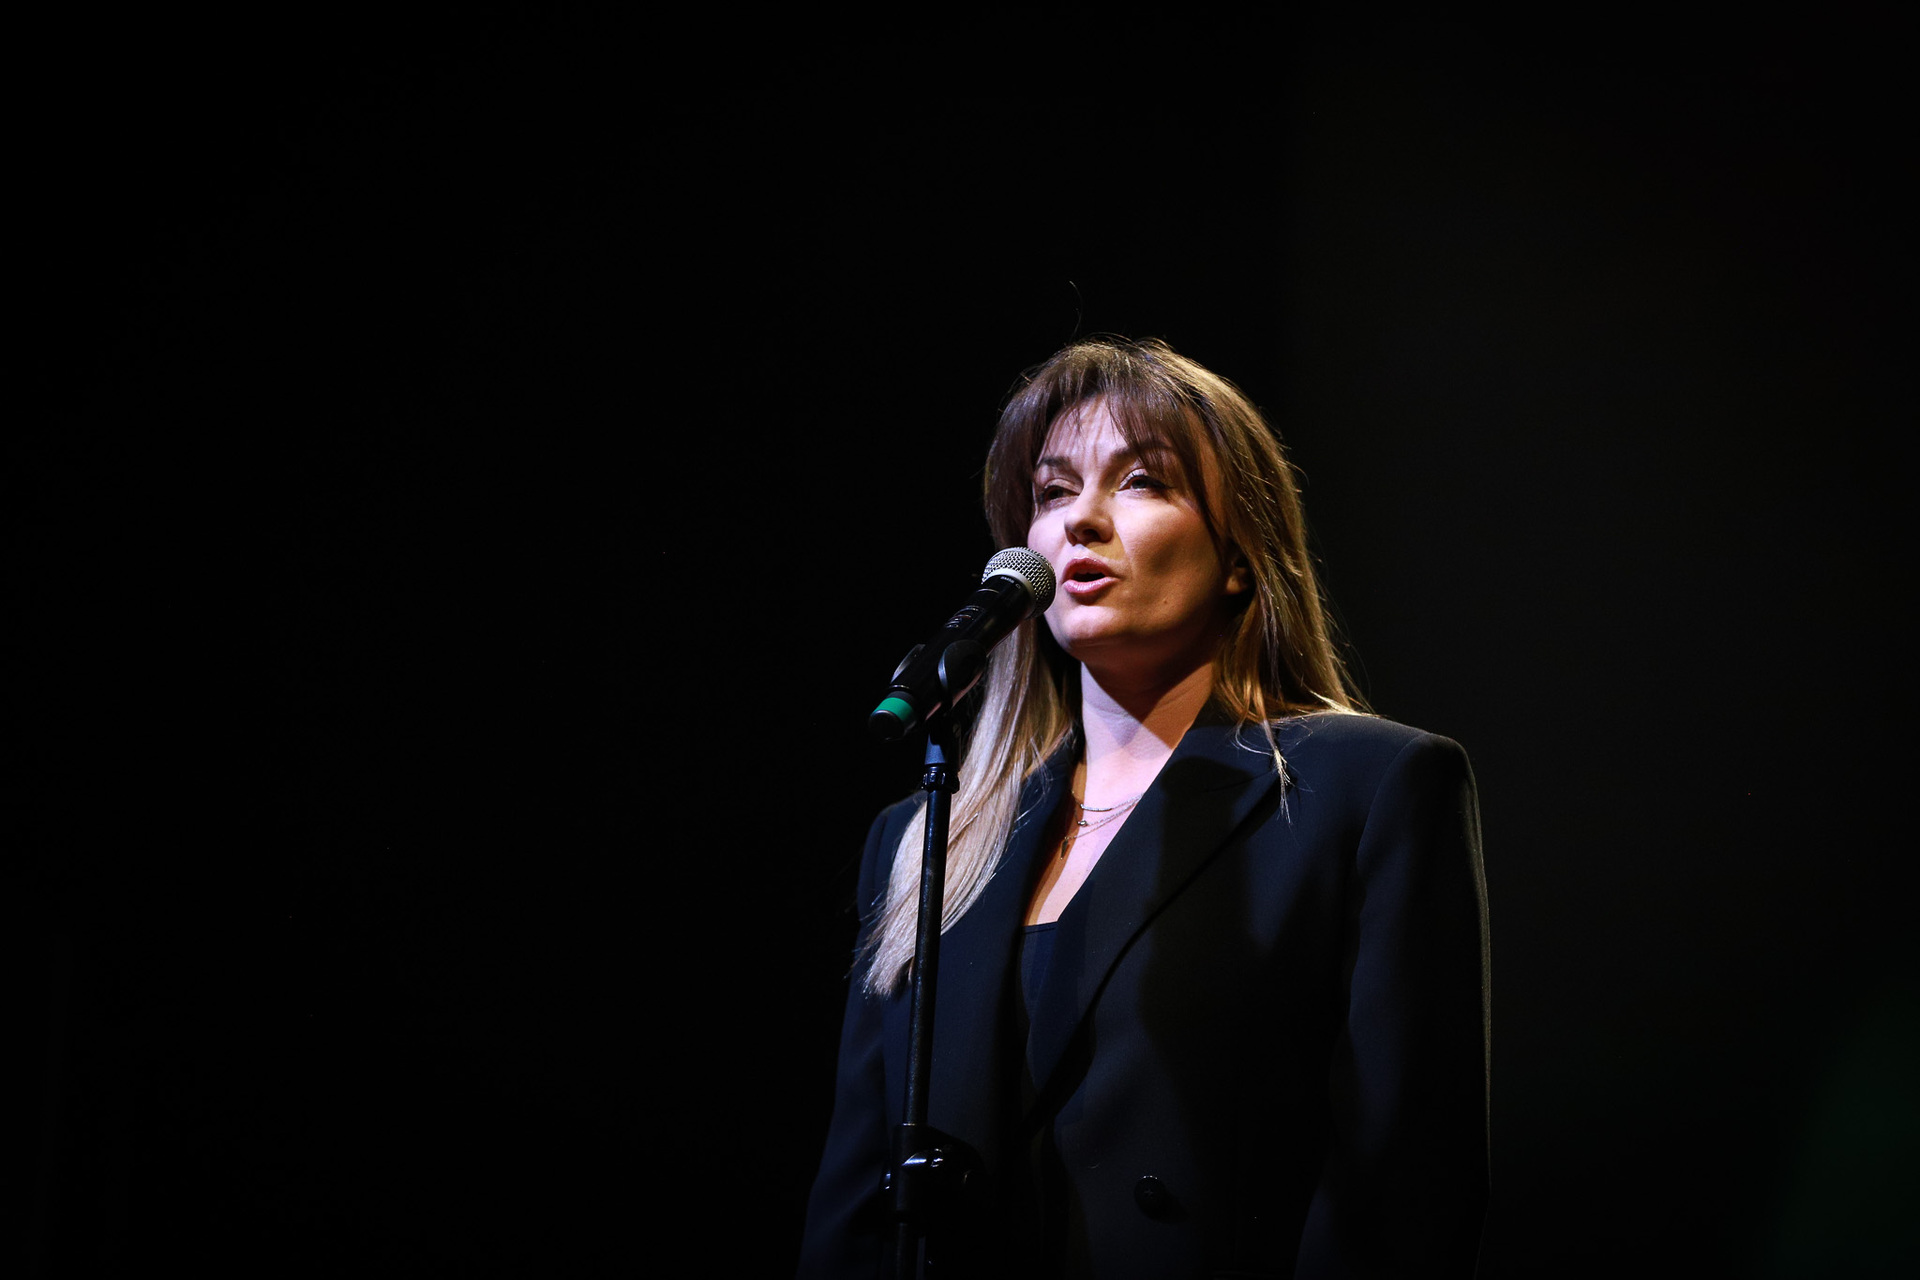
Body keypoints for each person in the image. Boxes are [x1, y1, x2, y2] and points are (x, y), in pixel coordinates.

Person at [799, 338, 1490, 1278]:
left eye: (1140, 482)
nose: (1080, 520)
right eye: (1052, 492)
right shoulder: (931, 835)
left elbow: (1403, 1189)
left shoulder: (1368, 789)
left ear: (1239, 556)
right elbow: (853, 1204)